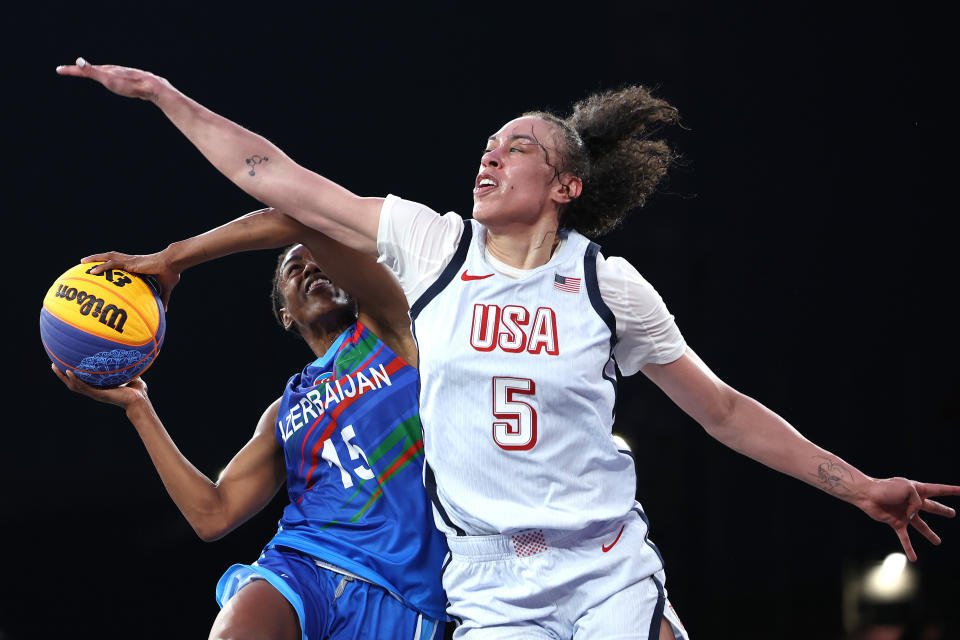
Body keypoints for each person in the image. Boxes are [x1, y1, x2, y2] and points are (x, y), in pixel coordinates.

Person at [58, 58, 960, 640]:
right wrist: (165, 98)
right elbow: (274, 175)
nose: (490, 156)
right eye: (487, 146)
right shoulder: (430, 247)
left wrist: (856, 484)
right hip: (486, 581)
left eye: (517, 147)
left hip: (602, 560)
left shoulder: (609, 286)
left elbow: (723, 410)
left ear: (565, 184)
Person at [53, 214, 449, 640]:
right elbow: (213, 513)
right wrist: (138, 406)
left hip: (400, 587)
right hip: (302, 561)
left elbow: (302, 219)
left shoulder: (394, 330)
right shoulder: (284, 411)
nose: (310, 268)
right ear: (285, 315)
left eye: (320, 263)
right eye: (293, 269)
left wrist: (173, 259)